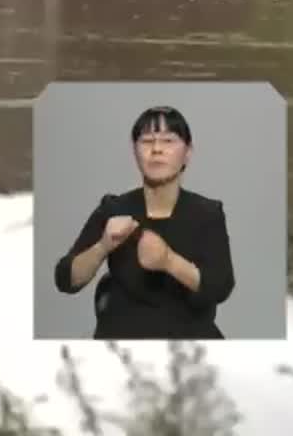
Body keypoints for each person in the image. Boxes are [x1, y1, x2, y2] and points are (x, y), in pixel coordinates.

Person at [52, 105, 236, 339]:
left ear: (188, 152)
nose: (157, 149)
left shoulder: (207, 213)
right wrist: (102, 247)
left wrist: (169, 261)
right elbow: (66, 280)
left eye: (168, 141)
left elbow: (220, 287)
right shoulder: (114, 208)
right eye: (147, 141)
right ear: (134, 150)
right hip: (122, 340)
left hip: (190, 342)